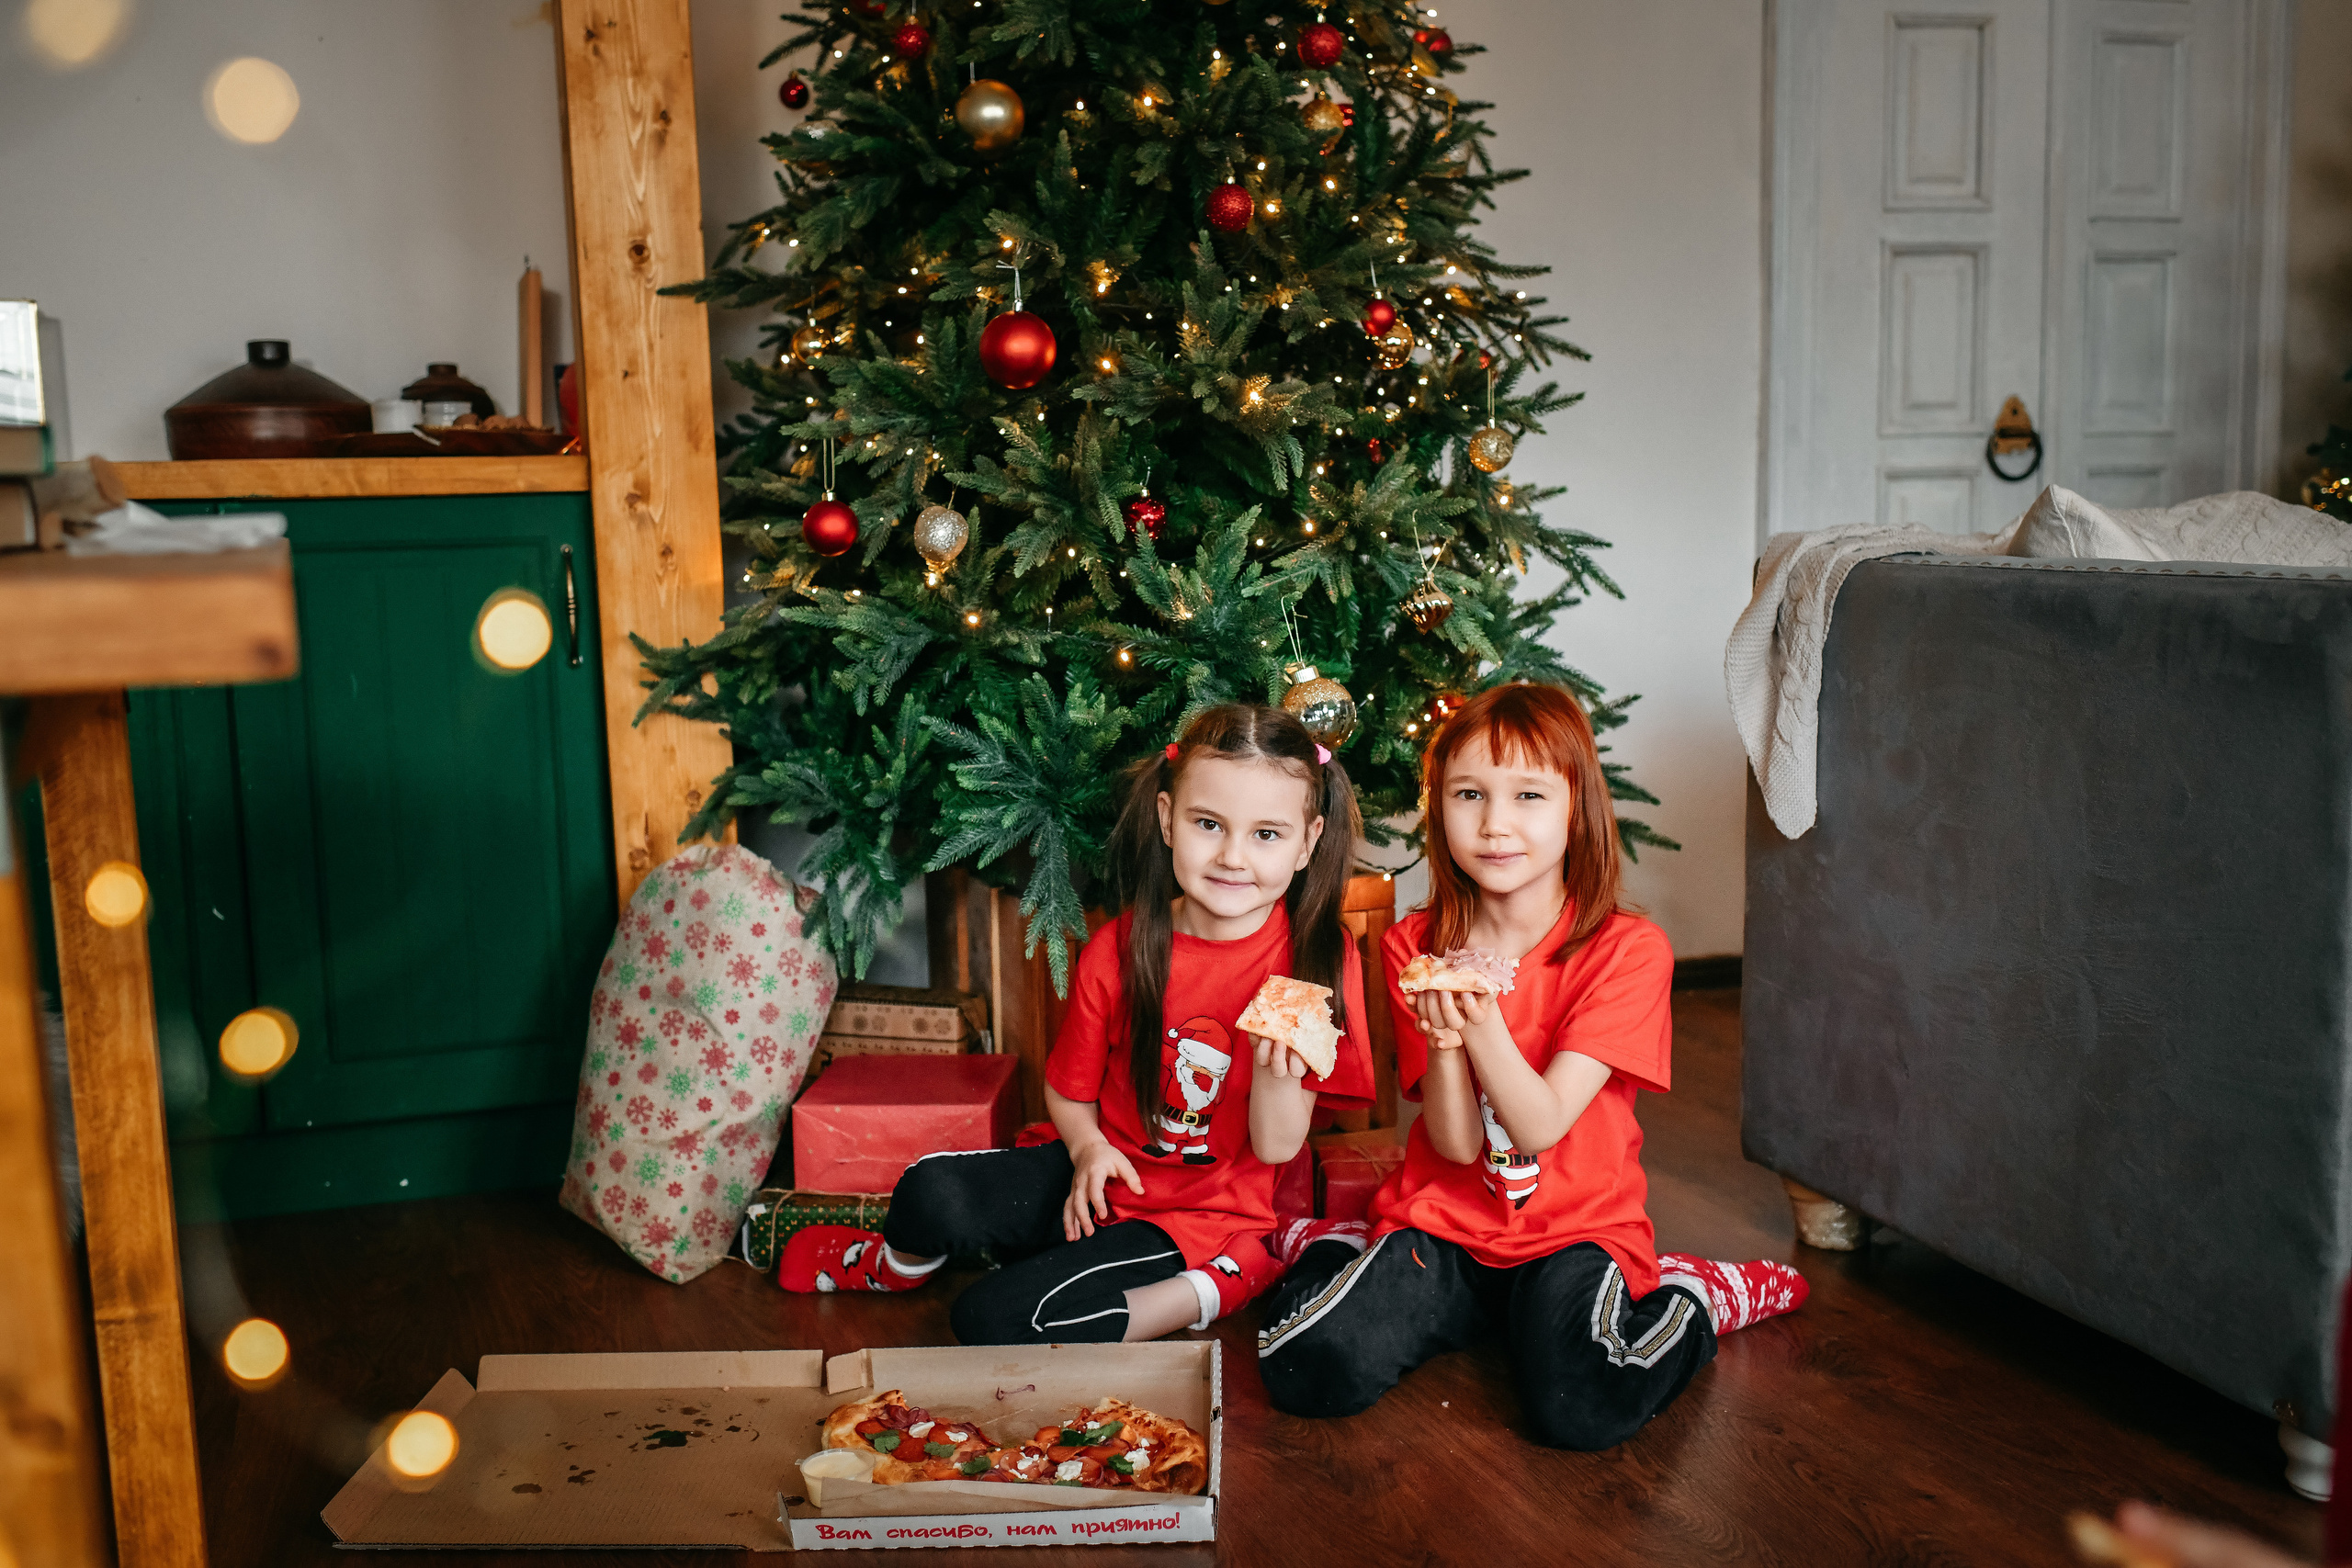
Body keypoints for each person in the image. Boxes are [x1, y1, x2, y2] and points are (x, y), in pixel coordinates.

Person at [1257, 681, 1807, 1450]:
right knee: (1303, 1366)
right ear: (1438, 806)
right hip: (1444, 1224)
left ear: (1577, 806)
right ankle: (1350, 1247)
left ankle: (1692, 1295)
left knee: (1585, 1407)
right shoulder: (1416, 944)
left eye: (1529, 795)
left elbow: (1539, 1124)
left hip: (1574, 1230)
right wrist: (1445, 1040)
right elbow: (1455, 1144)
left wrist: (1479, 1021)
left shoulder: (1627, 951)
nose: (1495, 823)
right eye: (1469, 794)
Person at [779, 704, 1375, 1343]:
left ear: (1308, 841)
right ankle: (895, 1268)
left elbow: (1277, 1148)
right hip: (1097, 1170)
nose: (1233, 856)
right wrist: (1091, 1148)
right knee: (928, 1191)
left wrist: (1276, 1068)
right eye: (1209, 824)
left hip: (1199, 1214)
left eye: (1267, 834)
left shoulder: (1316, 961)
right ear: (1168, 819)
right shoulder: (1120, 949)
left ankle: (1223, 1280)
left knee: (988, 1319)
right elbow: (1069, 1090)